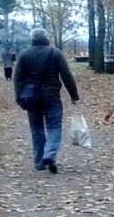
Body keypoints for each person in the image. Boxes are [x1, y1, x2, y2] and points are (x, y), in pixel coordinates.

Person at [13, 28, 80, 174]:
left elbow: (17, 78)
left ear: (32, 39)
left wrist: (19, 97)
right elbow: (66, 75)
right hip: (52, 96)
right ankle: (49, 154)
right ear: (46, 38)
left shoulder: (24, 54)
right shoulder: (54, 53)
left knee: (36, 129)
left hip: (31, 97)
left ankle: (39, 162)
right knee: (54, 126)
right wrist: (73, 95)